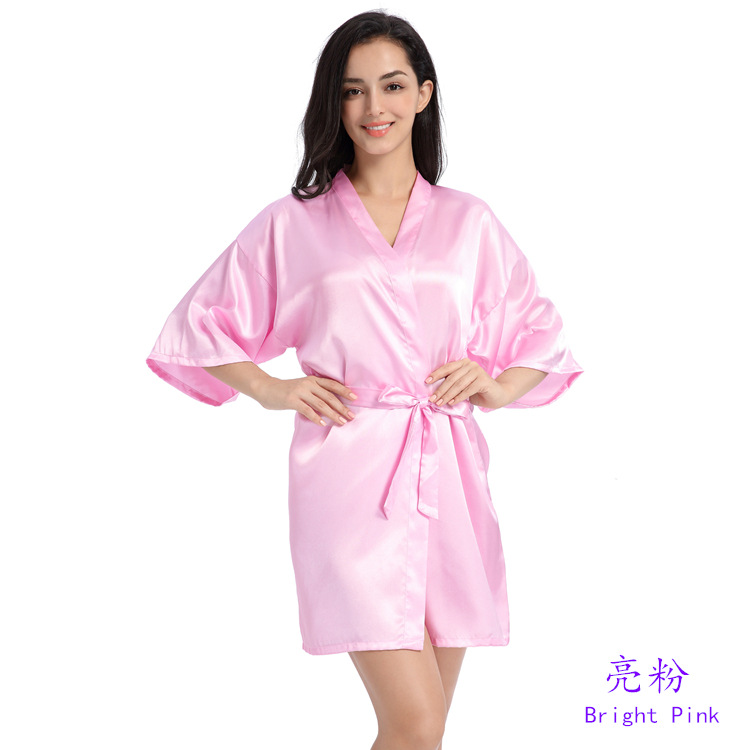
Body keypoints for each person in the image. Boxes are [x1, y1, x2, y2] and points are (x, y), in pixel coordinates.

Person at [146, 10, 582, 750]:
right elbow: (199, 325)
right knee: (415, 720)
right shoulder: (293, 224)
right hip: (349, 476)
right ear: (335, 102)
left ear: (423, 94)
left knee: (426, 729)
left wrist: (496, 384)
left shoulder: (470, 222)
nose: (374, 106)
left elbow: (541, 334)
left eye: (392, 85)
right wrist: (274, 388)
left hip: (448, 477)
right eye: (353, 90)